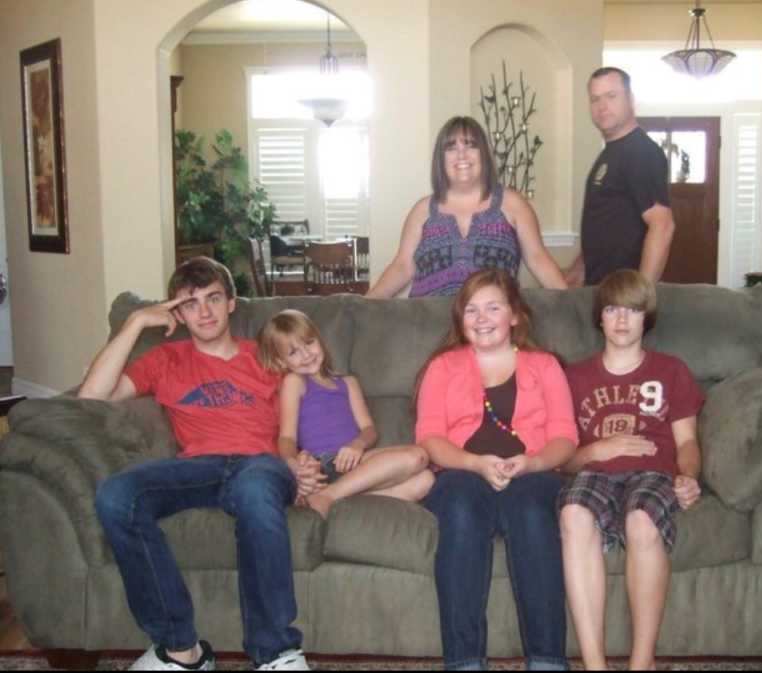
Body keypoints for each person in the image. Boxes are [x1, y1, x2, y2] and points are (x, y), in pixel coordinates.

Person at [83, 257, 316, 672]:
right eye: (190, 304)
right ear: (177, 312)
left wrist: (302, 461)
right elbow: (89, 400)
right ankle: (180, 649)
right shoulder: (165, 359)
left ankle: (275, 653)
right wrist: (135, 322)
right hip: (197, 467)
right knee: (116, 495)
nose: (204, 312)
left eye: (213, 299)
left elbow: (309, 407)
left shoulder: (265, 356)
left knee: (255, 493)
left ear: (231, 304)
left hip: (259, 465)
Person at [415, 269, 578, 671]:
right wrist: (474, 463)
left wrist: (533, 463)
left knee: (530, 511)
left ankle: (546, 661)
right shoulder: (442, 367)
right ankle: (465, 661)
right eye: (471, 309)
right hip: (461, 472)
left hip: (533, 473)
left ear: (515, 315)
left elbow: (565, 436)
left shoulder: (545, 366)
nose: (481, 317)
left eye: (493, 307)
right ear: (460, 318)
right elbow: (430, 438)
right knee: (461, 508)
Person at [557, 269, 704, 671]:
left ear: (647, 317)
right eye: (612, 309)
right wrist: (599, 449)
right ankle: (595, 665)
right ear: (599, 318)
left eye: (633, 310)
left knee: (641, 521)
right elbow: (563, 459)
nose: (622, 320)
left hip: (651, 473)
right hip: (594, 474)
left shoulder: (671, 370)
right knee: (572, 513)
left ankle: (642, 663)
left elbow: (687, 442)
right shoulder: (574, 377)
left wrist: (687, 475)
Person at [256, 309, 435, 518]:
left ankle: (331, 498)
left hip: (353, 461)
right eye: (293, 352)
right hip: (323, 465)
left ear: (319, 340)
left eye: (309, 342)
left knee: (426, 479)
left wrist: (357, 444)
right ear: (280, 362)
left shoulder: (348, 383)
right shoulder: (295, 382)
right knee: (416, 456)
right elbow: (286, 437)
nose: (306, 354)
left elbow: (369, 430)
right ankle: (328, 496)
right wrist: (295, 466)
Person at [367, 116, 568, 298]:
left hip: (491, 327)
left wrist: (572, 304)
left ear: (483, 154)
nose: (461, 155)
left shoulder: (513, 204)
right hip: (429, 326)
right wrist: (364, 305)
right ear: (441, 158)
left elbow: (537, 257)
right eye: (451, 147)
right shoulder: (422, 211)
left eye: (471, 145)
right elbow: (402, 266)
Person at [564, 67, 675, 288]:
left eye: (611, 96)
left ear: (630, 99)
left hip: (622, 298)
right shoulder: (611, 152)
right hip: (601, 292)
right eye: (595, 99)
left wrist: (640, 297)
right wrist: (572, 278)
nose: (602, 106)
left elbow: (662, 226)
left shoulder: (640, 152)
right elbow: (604, 227)